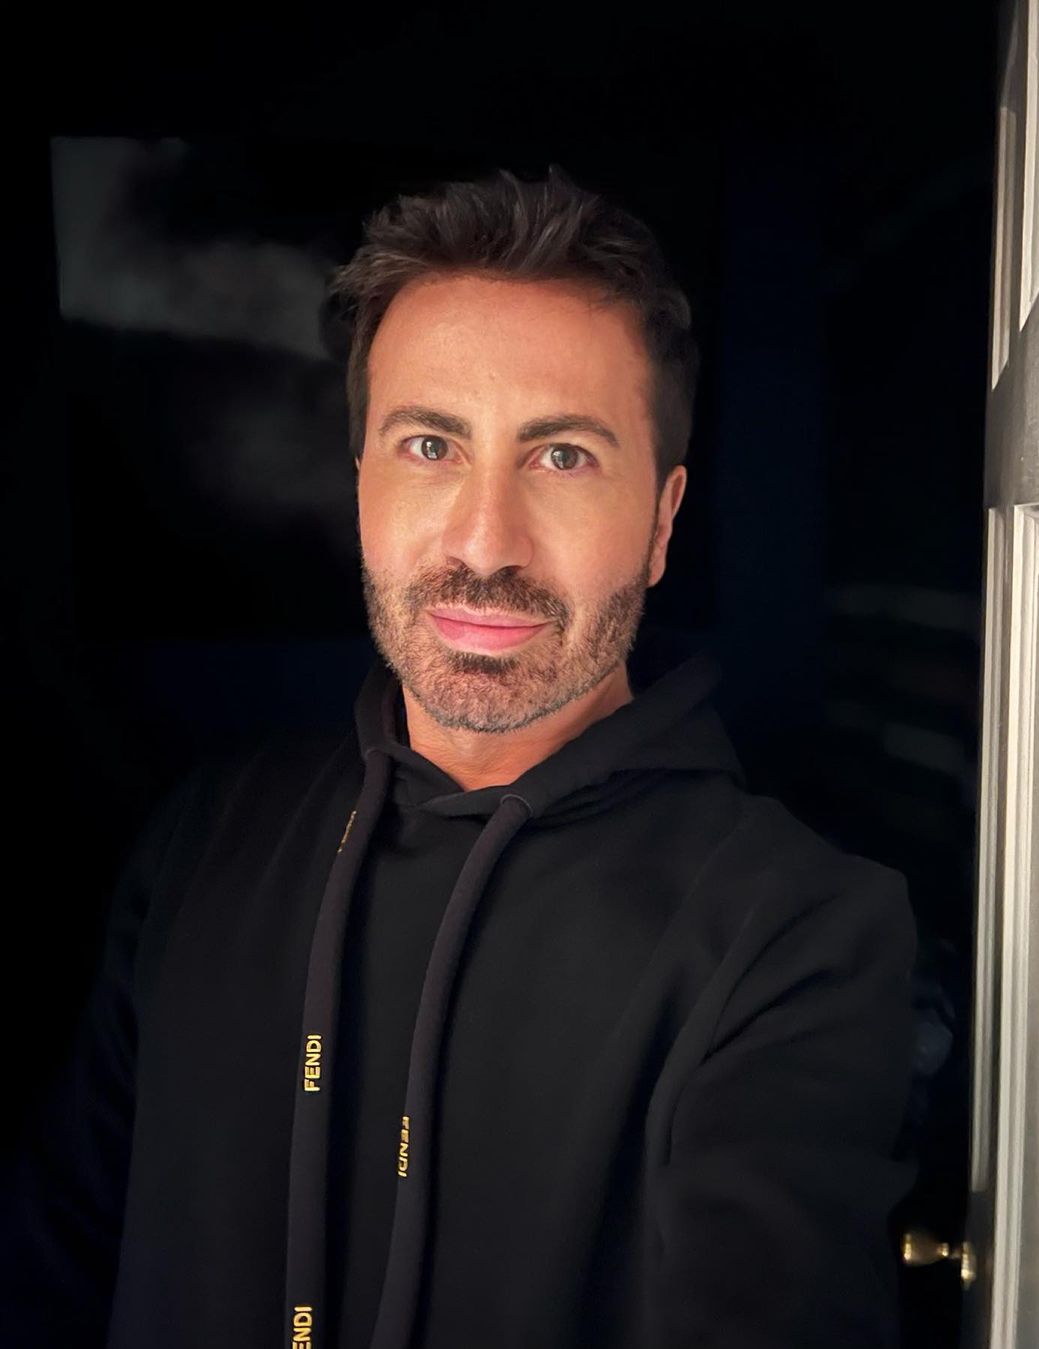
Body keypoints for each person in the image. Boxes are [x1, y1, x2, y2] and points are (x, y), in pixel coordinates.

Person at [1, 165, 918, 1348]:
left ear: (662, 520)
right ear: (362, 489)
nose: (486, 543)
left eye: (563, 456)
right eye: (431, 444)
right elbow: (49, 1277)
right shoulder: (204, 838)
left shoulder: (798, 930)